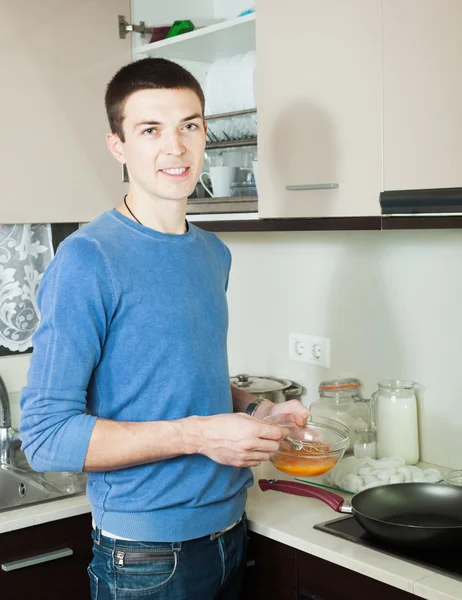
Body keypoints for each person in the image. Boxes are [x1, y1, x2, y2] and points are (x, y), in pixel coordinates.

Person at [19, 57, 309, 600]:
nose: (175, 147)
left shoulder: (211, 253)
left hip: (230, 530)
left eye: (189, 125)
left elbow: (180, 380)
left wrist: (255, 411)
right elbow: (45, 437)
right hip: (147, 559)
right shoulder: (88, 260)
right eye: (150, 129)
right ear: (118, 146)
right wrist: (202, 434)